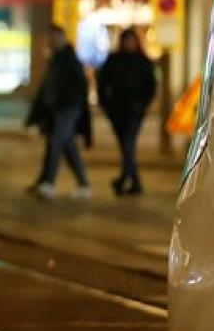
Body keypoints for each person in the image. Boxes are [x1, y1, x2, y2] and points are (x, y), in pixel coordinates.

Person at [26, 24, 92, 200]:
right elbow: (47, 88)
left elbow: (79, 86)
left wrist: (68, 104)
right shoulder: (56, 60)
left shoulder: (69, 59)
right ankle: (83, 184)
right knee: (68, 146)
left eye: (54, 38)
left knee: (55, 142)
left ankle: (48, 182)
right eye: (49, 39)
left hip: (67, 110)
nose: (51, 42)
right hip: (58, 110)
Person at [96, 28, 157, 195]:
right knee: (125, 145)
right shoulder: (113, 60)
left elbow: (150, 87)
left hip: (135, 111)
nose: (129, 44)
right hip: (116, 111)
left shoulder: (143, 62)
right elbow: (102, 82)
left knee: (128, 143)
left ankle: (130, 180)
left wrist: (142, 105)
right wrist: (105, 104)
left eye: (131, 40)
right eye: (126, 40)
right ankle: (128, 179)